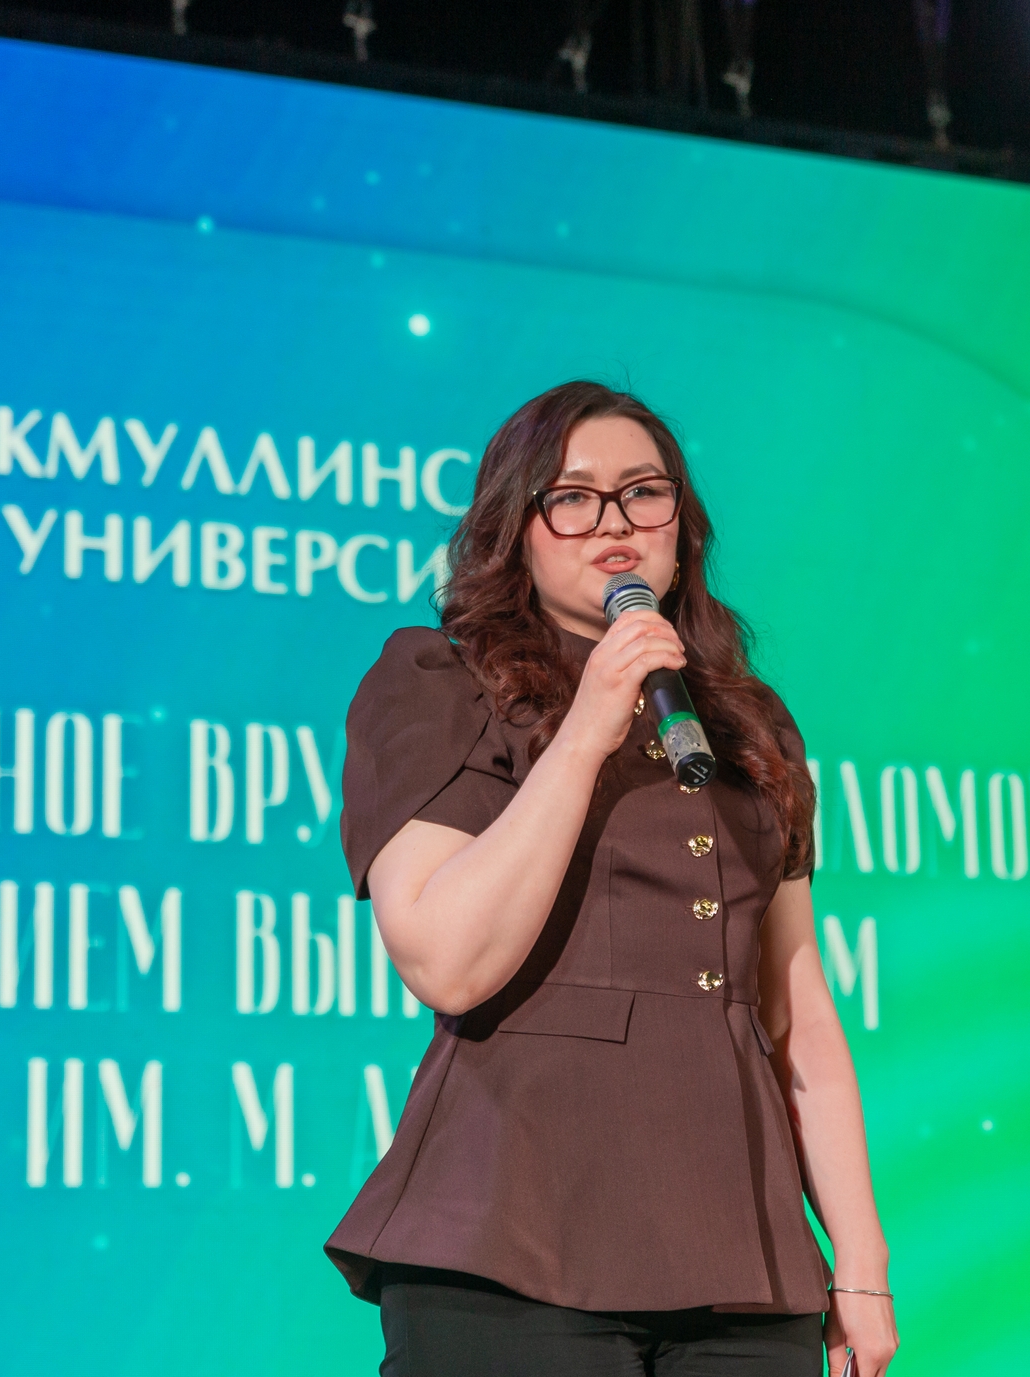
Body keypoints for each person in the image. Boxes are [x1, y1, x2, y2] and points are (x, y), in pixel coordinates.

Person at [325, 381, 897, 1377]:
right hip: (513, 1234)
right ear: (516, 530)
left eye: (643, 492)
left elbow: (796, 1005)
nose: (614, 523)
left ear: (682, 526)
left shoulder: (748, 725)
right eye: (572, 498)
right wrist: (590, 724)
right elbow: (447, 962)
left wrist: (860, 1262)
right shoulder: (441, 683)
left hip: (742, 1250)